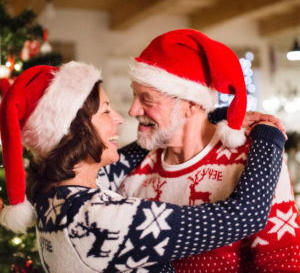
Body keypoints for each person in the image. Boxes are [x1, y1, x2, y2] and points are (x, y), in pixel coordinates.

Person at [0, 61, 285, 272]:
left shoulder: (54, 198)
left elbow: (129, 155)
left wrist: (212, 114)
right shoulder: (95, 220)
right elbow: (246, 216)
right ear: (76, 132)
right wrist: (267, 134)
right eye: (106, 110)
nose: (121, 117)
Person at [107, 29, 300, 272]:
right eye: (135, 95)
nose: (133, 110)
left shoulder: (254, 160)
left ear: (191, 105)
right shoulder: (129, 169)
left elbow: (282, 263)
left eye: (147, 99)